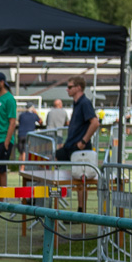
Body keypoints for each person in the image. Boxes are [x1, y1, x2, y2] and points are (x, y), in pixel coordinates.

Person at [56, 76, 100, 212]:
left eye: (70, 87)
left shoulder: (84, 103)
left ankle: (81, 210)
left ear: (78, 88)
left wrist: (83, 141)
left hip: (79, 148)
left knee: (82, 180)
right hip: (71, 146)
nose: (67, 89)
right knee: (49, 161)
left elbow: (95, 123)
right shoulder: (77, 103)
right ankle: (42, 198)